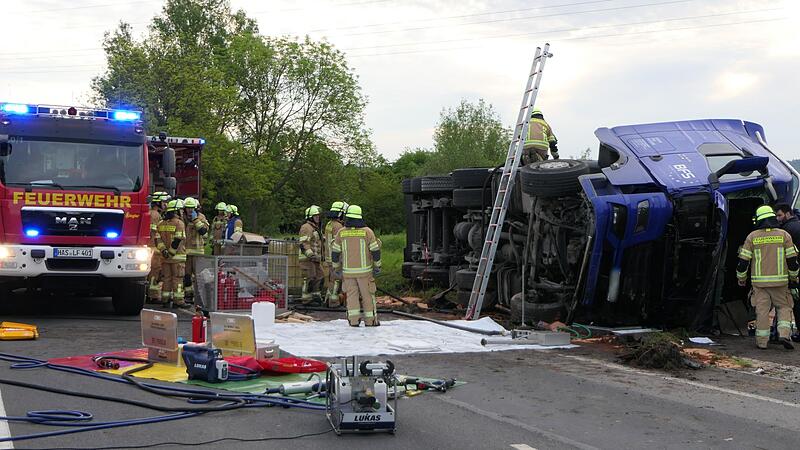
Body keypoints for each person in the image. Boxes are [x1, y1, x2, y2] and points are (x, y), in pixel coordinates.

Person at [737, 205, 798, 350]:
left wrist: (741, 278)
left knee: (762, 311)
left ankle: (762, 342)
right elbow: (792, 260)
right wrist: (794, 277)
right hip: (781, 282)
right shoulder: (784, 235)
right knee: (784, 307)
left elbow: (743, 261)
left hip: (759, 284)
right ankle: (784, 334)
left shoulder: (752, 237)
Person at [330, 205, 382, 327]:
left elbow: (335, 252)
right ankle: (370, 321)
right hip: (365, 273)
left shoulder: (341, 233)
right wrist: (377, 266)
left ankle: (353, 321)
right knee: (368, 296)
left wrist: (336, 268)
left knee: (352, 297)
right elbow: (375, 251)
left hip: (348, 273)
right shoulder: (367, 232)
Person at [156, 199, 188, 308]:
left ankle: (165, 300)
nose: (182, 212)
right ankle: (178, 301)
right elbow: (178, 240)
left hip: (165, 257)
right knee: (177, 279)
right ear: (176, 211)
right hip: (177, 258)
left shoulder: (161, 223)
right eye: (180, 210)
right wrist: (171, 253)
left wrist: (164, 251)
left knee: (166, 279)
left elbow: (158, 240)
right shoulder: (179, 223)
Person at [776, 203, 800, 341]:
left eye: (779, 215)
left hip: (794, 272)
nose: (778, 219)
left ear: (788, 213)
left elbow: (790, 255)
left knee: (795, 303)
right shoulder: (797, 224)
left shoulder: (787, 230)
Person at [182, 197, 209, 301]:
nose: (190, 210)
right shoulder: (182, 218)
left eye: (192, 208)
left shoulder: (201, 217)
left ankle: (200, 297)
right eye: (188, 208)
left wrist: (195, 220)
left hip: (198, 252)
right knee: (186, 275)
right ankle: (188, 295)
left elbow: (203, 231)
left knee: (198, 276)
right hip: (185, 252)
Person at [323, 201, 348, 307]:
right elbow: (340, 243)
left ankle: (328, 300)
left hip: (329, 257)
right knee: (337, 280)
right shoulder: (338, 226)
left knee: (331, 279)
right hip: (336, 258)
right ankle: (334, 302)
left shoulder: (329, 224)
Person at [298, 205, 324, 302]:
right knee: (309, 278)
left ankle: (316, 296)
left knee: (320, 276)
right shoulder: (306, 227)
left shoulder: (315, 228)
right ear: (310, 217)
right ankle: (306, 299)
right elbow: (304, 243)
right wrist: (311, 255)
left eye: (318, 216)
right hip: (307, 259)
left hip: (315, 259)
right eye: (315, 216)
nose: (318, 218)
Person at [146, 191, 168, 304]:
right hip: (154, 248)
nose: (166, 205)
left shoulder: (151, 213)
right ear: (158, 202)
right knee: (154, 272)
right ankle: (153, 296)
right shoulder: (155, 215)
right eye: (164, 202)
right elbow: (155, 232)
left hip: (149, 247)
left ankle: (149, 294)